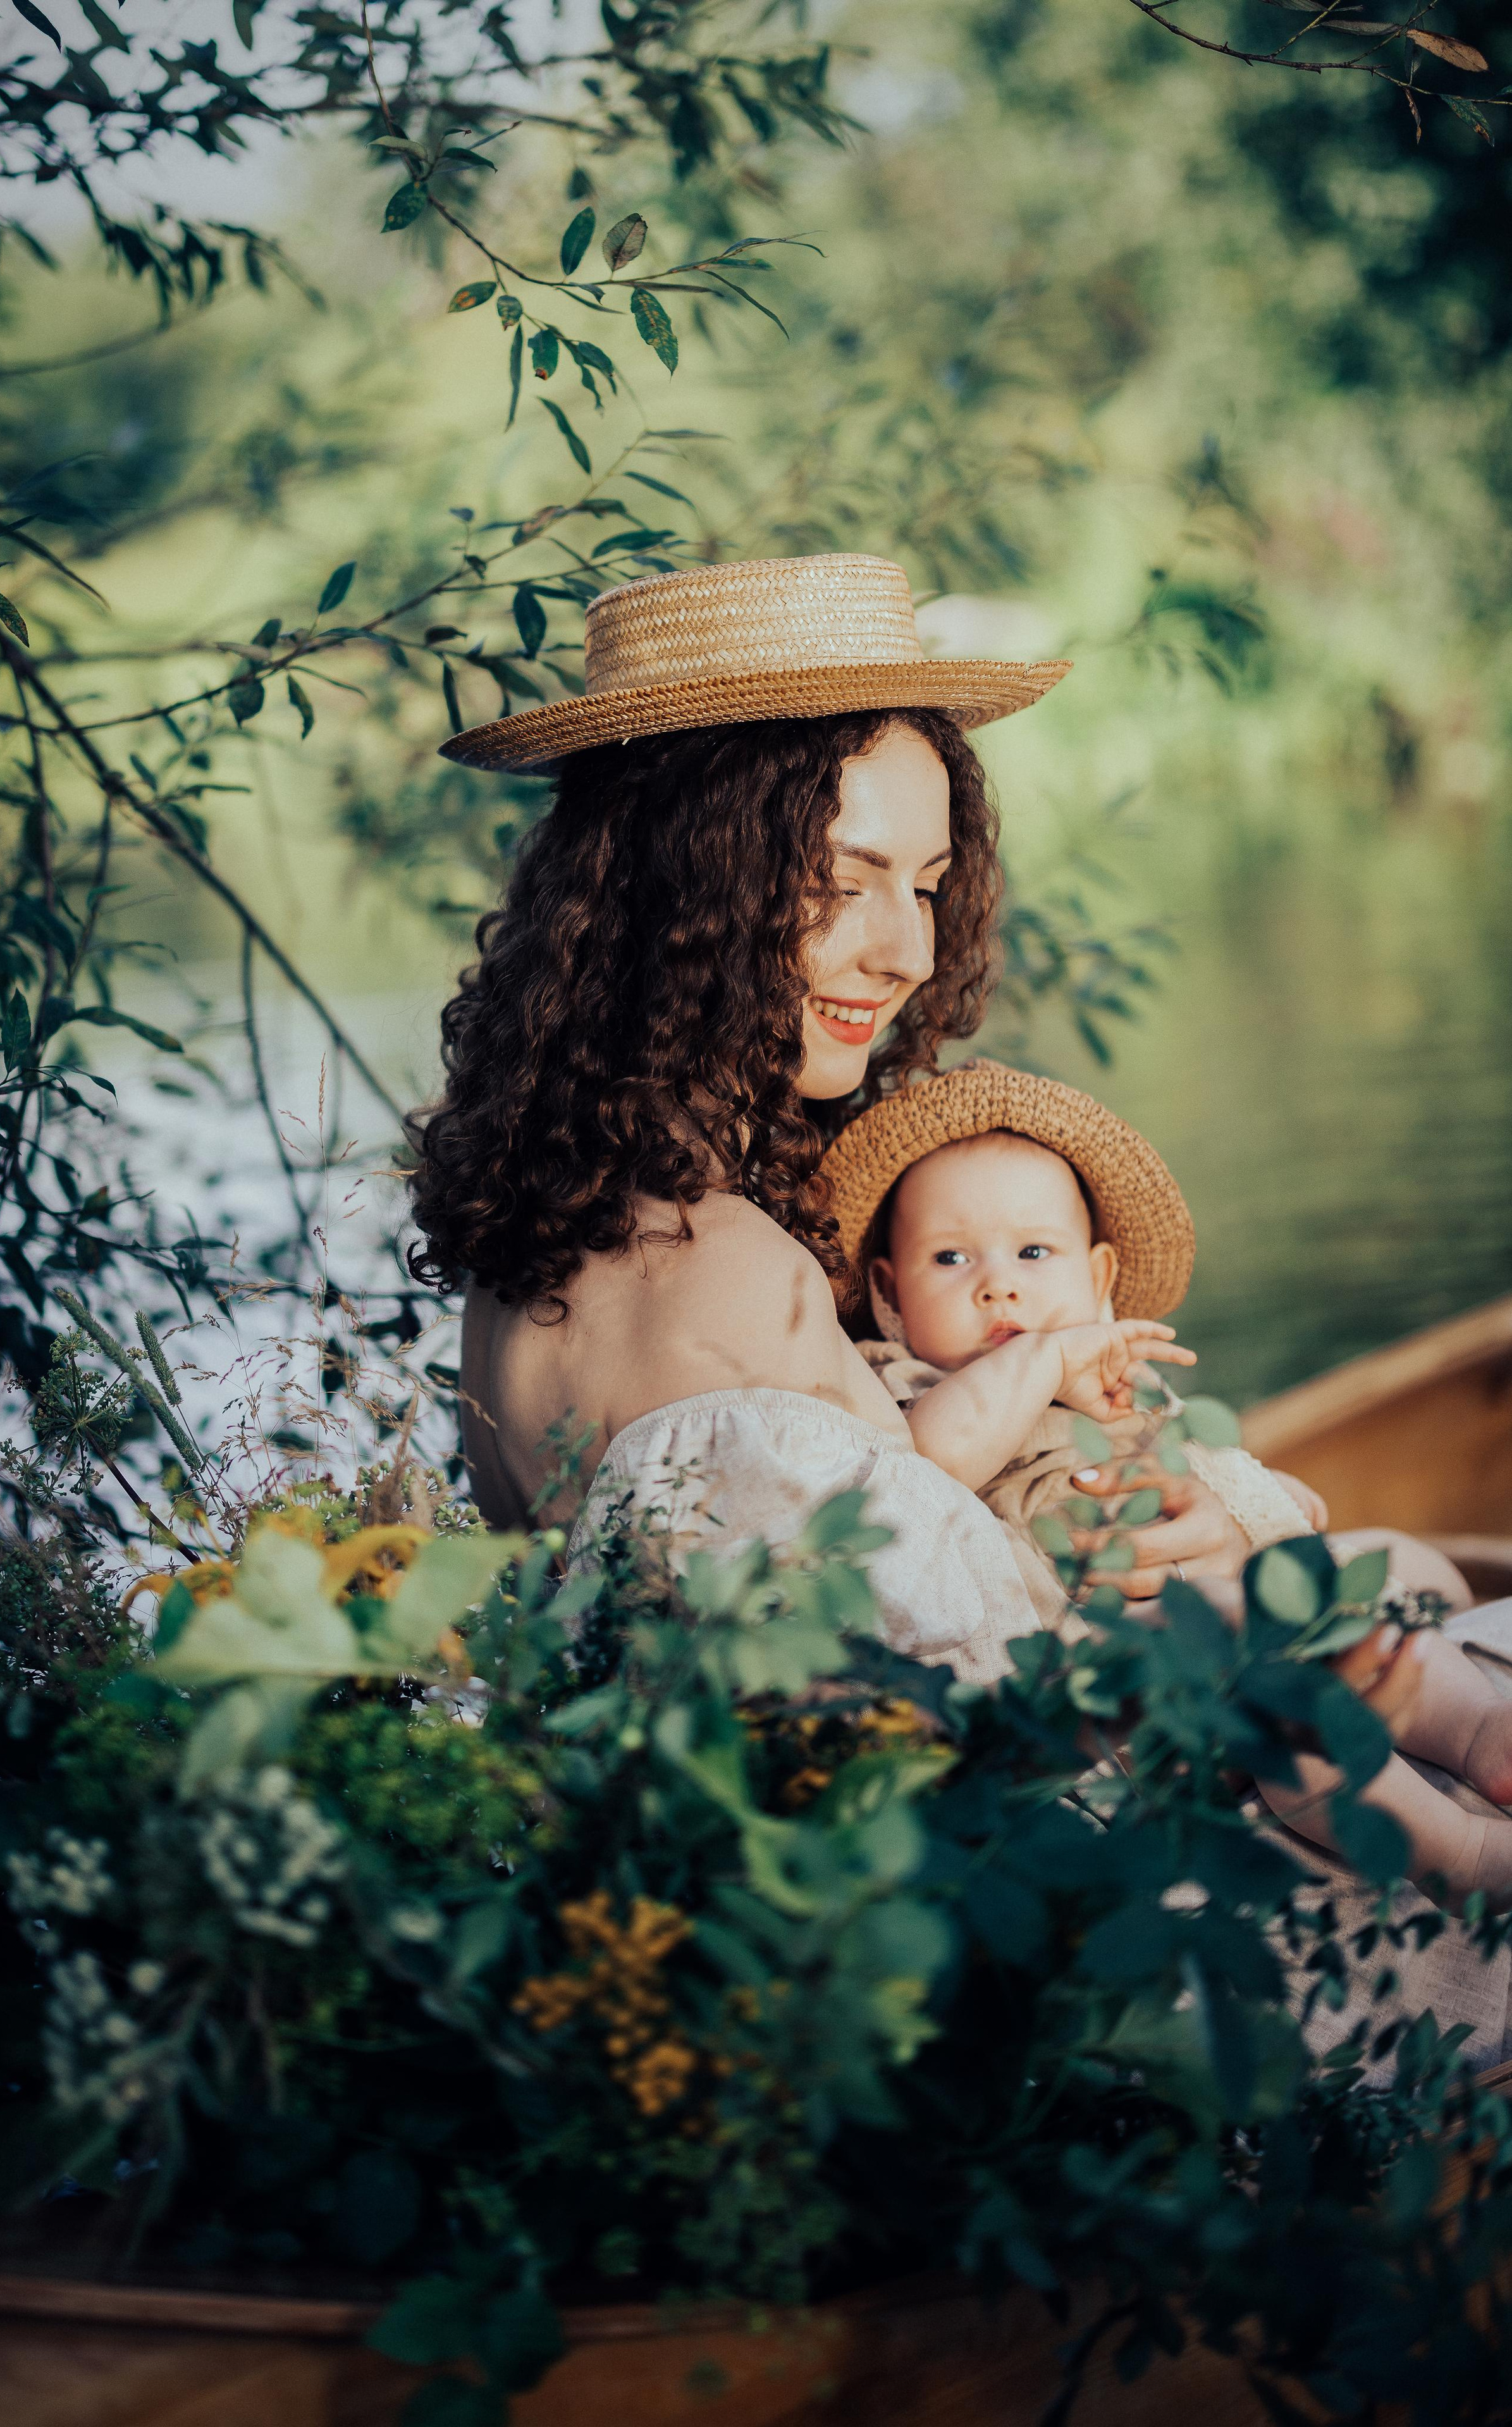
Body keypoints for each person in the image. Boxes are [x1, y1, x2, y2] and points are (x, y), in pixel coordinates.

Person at [406, 548, 1512, 2066]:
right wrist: (1240, 1614)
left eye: (923, 885)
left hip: (793, 1936)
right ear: (690, 882)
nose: (906, 949)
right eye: (840, 879)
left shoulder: (552, 1246)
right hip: (1035, 1958)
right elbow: (963, 1743)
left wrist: (1237, 1531)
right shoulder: (723, 1273)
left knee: (1415, 1607)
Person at [820, 1059, 1512, 1908]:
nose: (997, 1283)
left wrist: (1269, 1497)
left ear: (1100, 1280)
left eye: (1034, 1252)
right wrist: (1040, 1356)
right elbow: (932, 1464)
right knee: (1285, 1717)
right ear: (890, 1297)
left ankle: (1482, 1732)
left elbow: (1201, 1473)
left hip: (1215, 1605)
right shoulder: (909, 1391)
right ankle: (1464, 1853)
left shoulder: (1116, 1381)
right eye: (951, 1257)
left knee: (1367, 1590)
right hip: (1116, 1699)